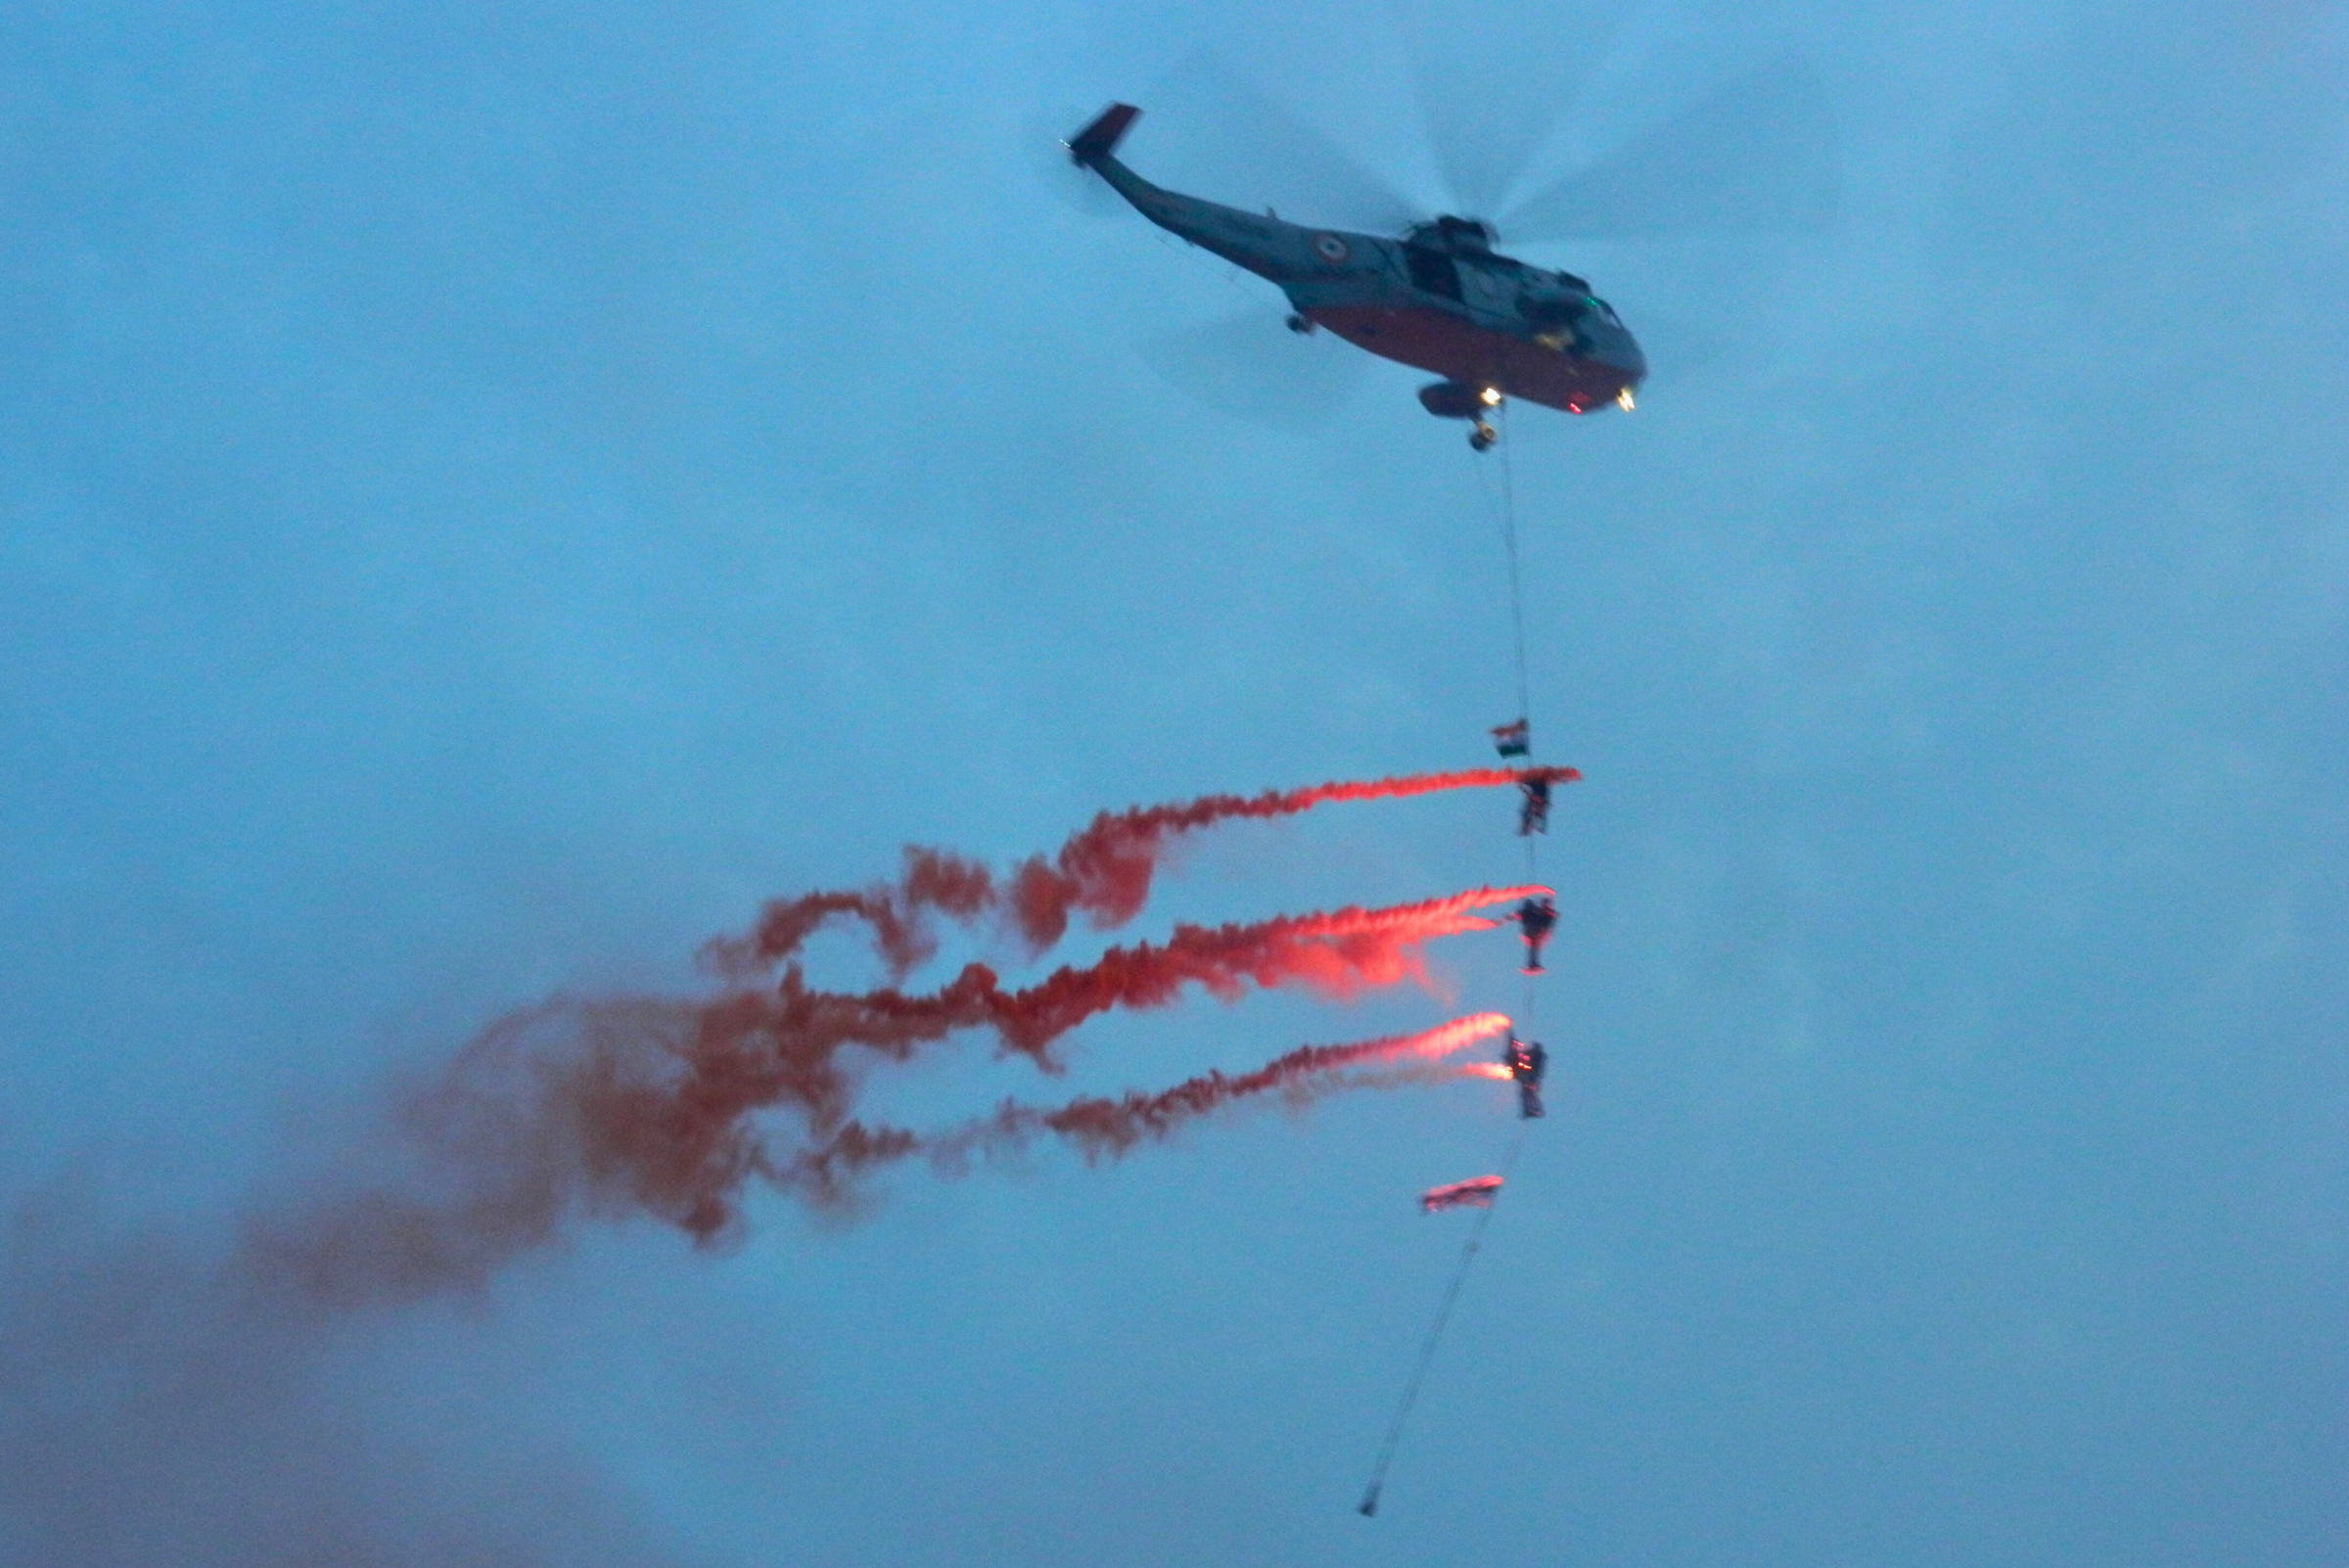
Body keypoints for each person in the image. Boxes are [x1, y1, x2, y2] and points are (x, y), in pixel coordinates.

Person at [1504, 1035, 1548, 1119]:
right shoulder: (1536, 1055)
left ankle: (1532, 1110)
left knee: (1528, 1094)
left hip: (1531, 1077)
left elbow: (1524, 1056)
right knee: (1529, 1094)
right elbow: (1522, 1055)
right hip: (1531, 1077)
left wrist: (1515, 1048)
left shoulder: (1537, 1055)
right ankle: (1532, 1110)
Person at [1516, 895, 1558, 973]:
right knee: (1534, 948)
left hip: (1535, 931)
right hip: (1534, 931)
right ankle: (1532, 964)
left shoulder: (1541, 912)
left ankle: (1532, 964)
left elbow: (1549, 921)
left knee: (1534, 948)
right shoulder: (1536, 911)